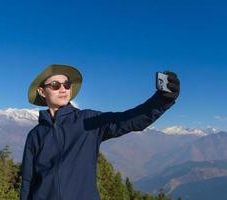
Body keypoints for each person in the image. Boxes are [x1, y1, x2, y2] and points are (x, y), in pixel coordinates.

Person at [20, 64, 180, 200]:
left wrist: (162, 100)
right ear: (42, 92)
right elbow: (28, 181)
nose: (63, 89)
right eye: (55, 85)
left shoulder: (87, 120)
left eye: (67, 84)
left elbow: (128, 120)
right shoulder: (35, 134)